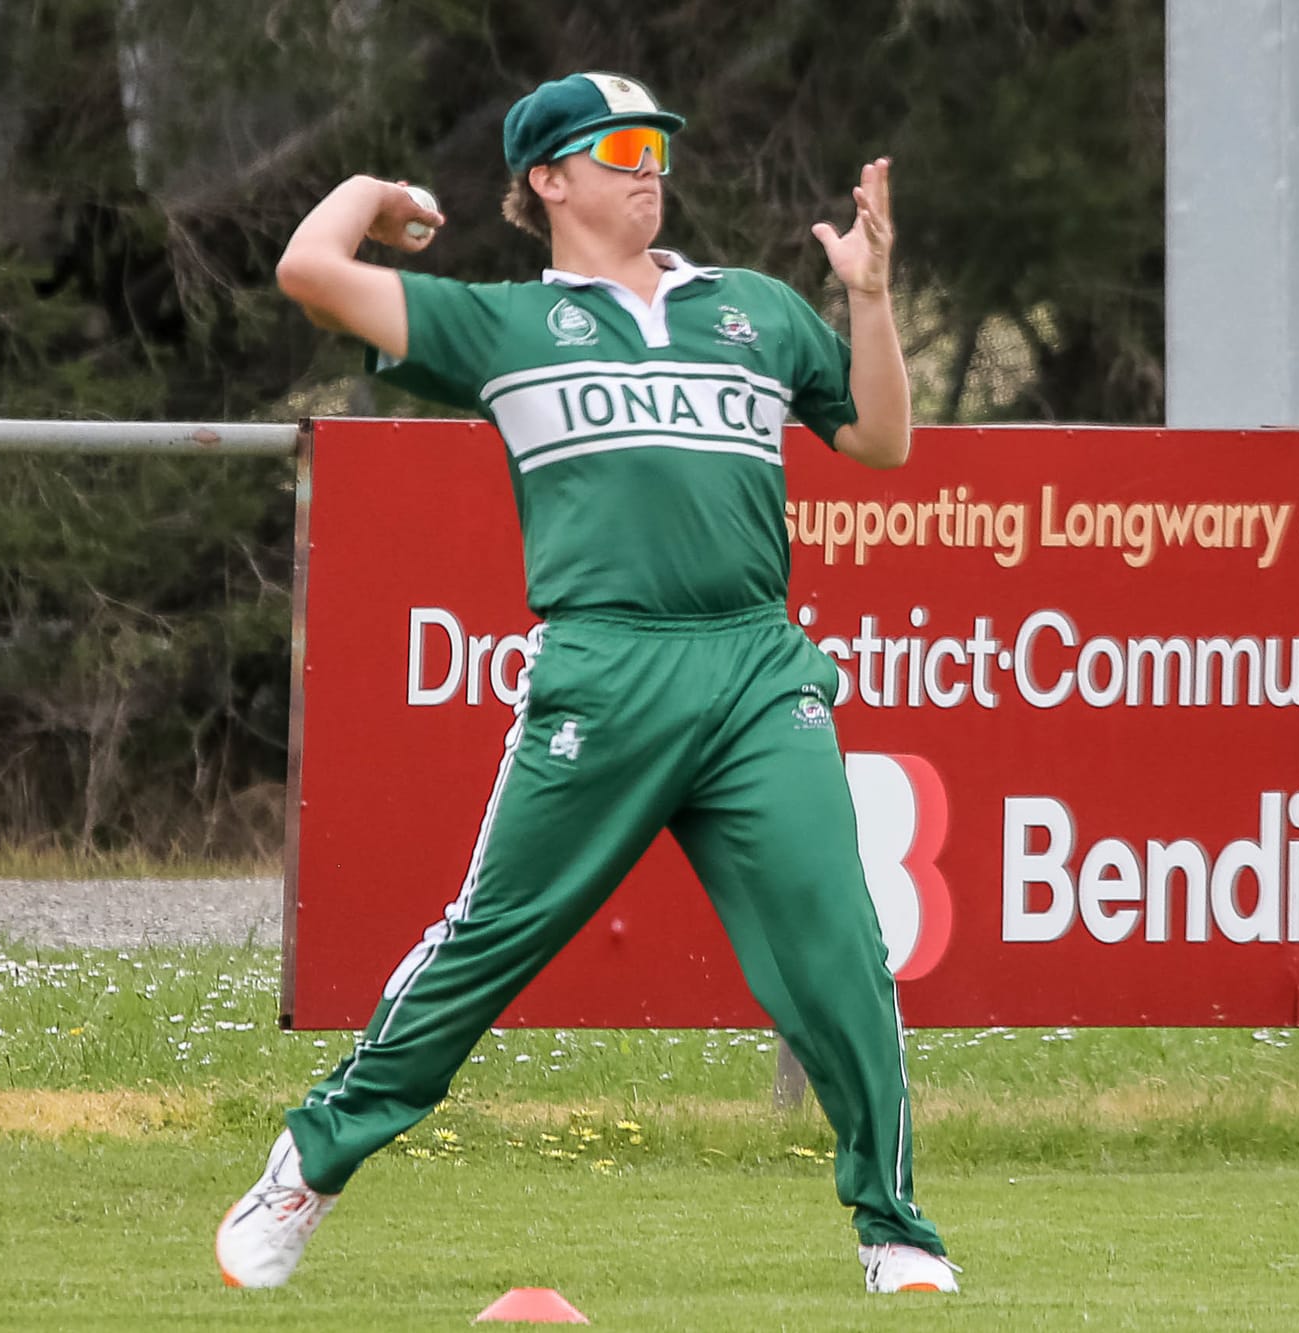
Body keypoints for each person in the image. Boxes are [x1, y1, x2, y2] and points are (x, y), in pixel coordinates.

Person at [215, 70, 958, 1297]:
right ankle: (310, 1160)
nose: (646, 166)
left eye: (656, 145)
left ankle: (895, 1232)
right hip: (603, 670)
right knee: (490, 944)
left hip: (754, 663)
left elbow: (881, 440)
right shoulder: (504, 326)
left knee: (840, 948)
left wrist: (869, 301)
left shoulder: (755, 311)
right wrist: (372, 192)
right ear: (547, 180)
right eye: (616, 149)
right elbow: (308, 270)